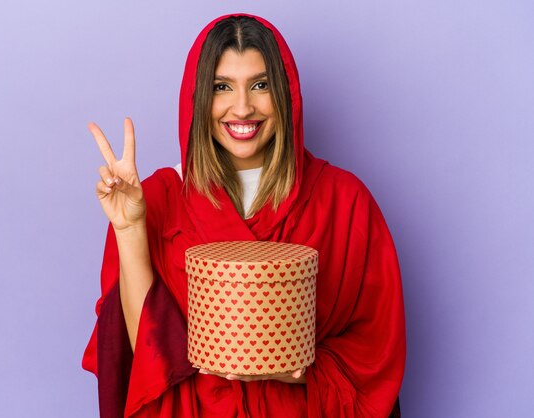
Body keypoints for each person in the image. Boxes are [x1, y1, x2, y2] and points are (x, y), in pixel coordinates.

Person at [83, 13, 406, 418]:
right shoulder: (159, 198)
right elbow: (144, 353)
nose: (242, 108)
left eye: (260, 85)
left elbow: (377, 351)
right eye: (221, 87)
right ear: (199, 97)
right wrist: (130, 228)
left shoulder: (343, 200)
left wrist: (295, 369)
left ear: (285, 93)